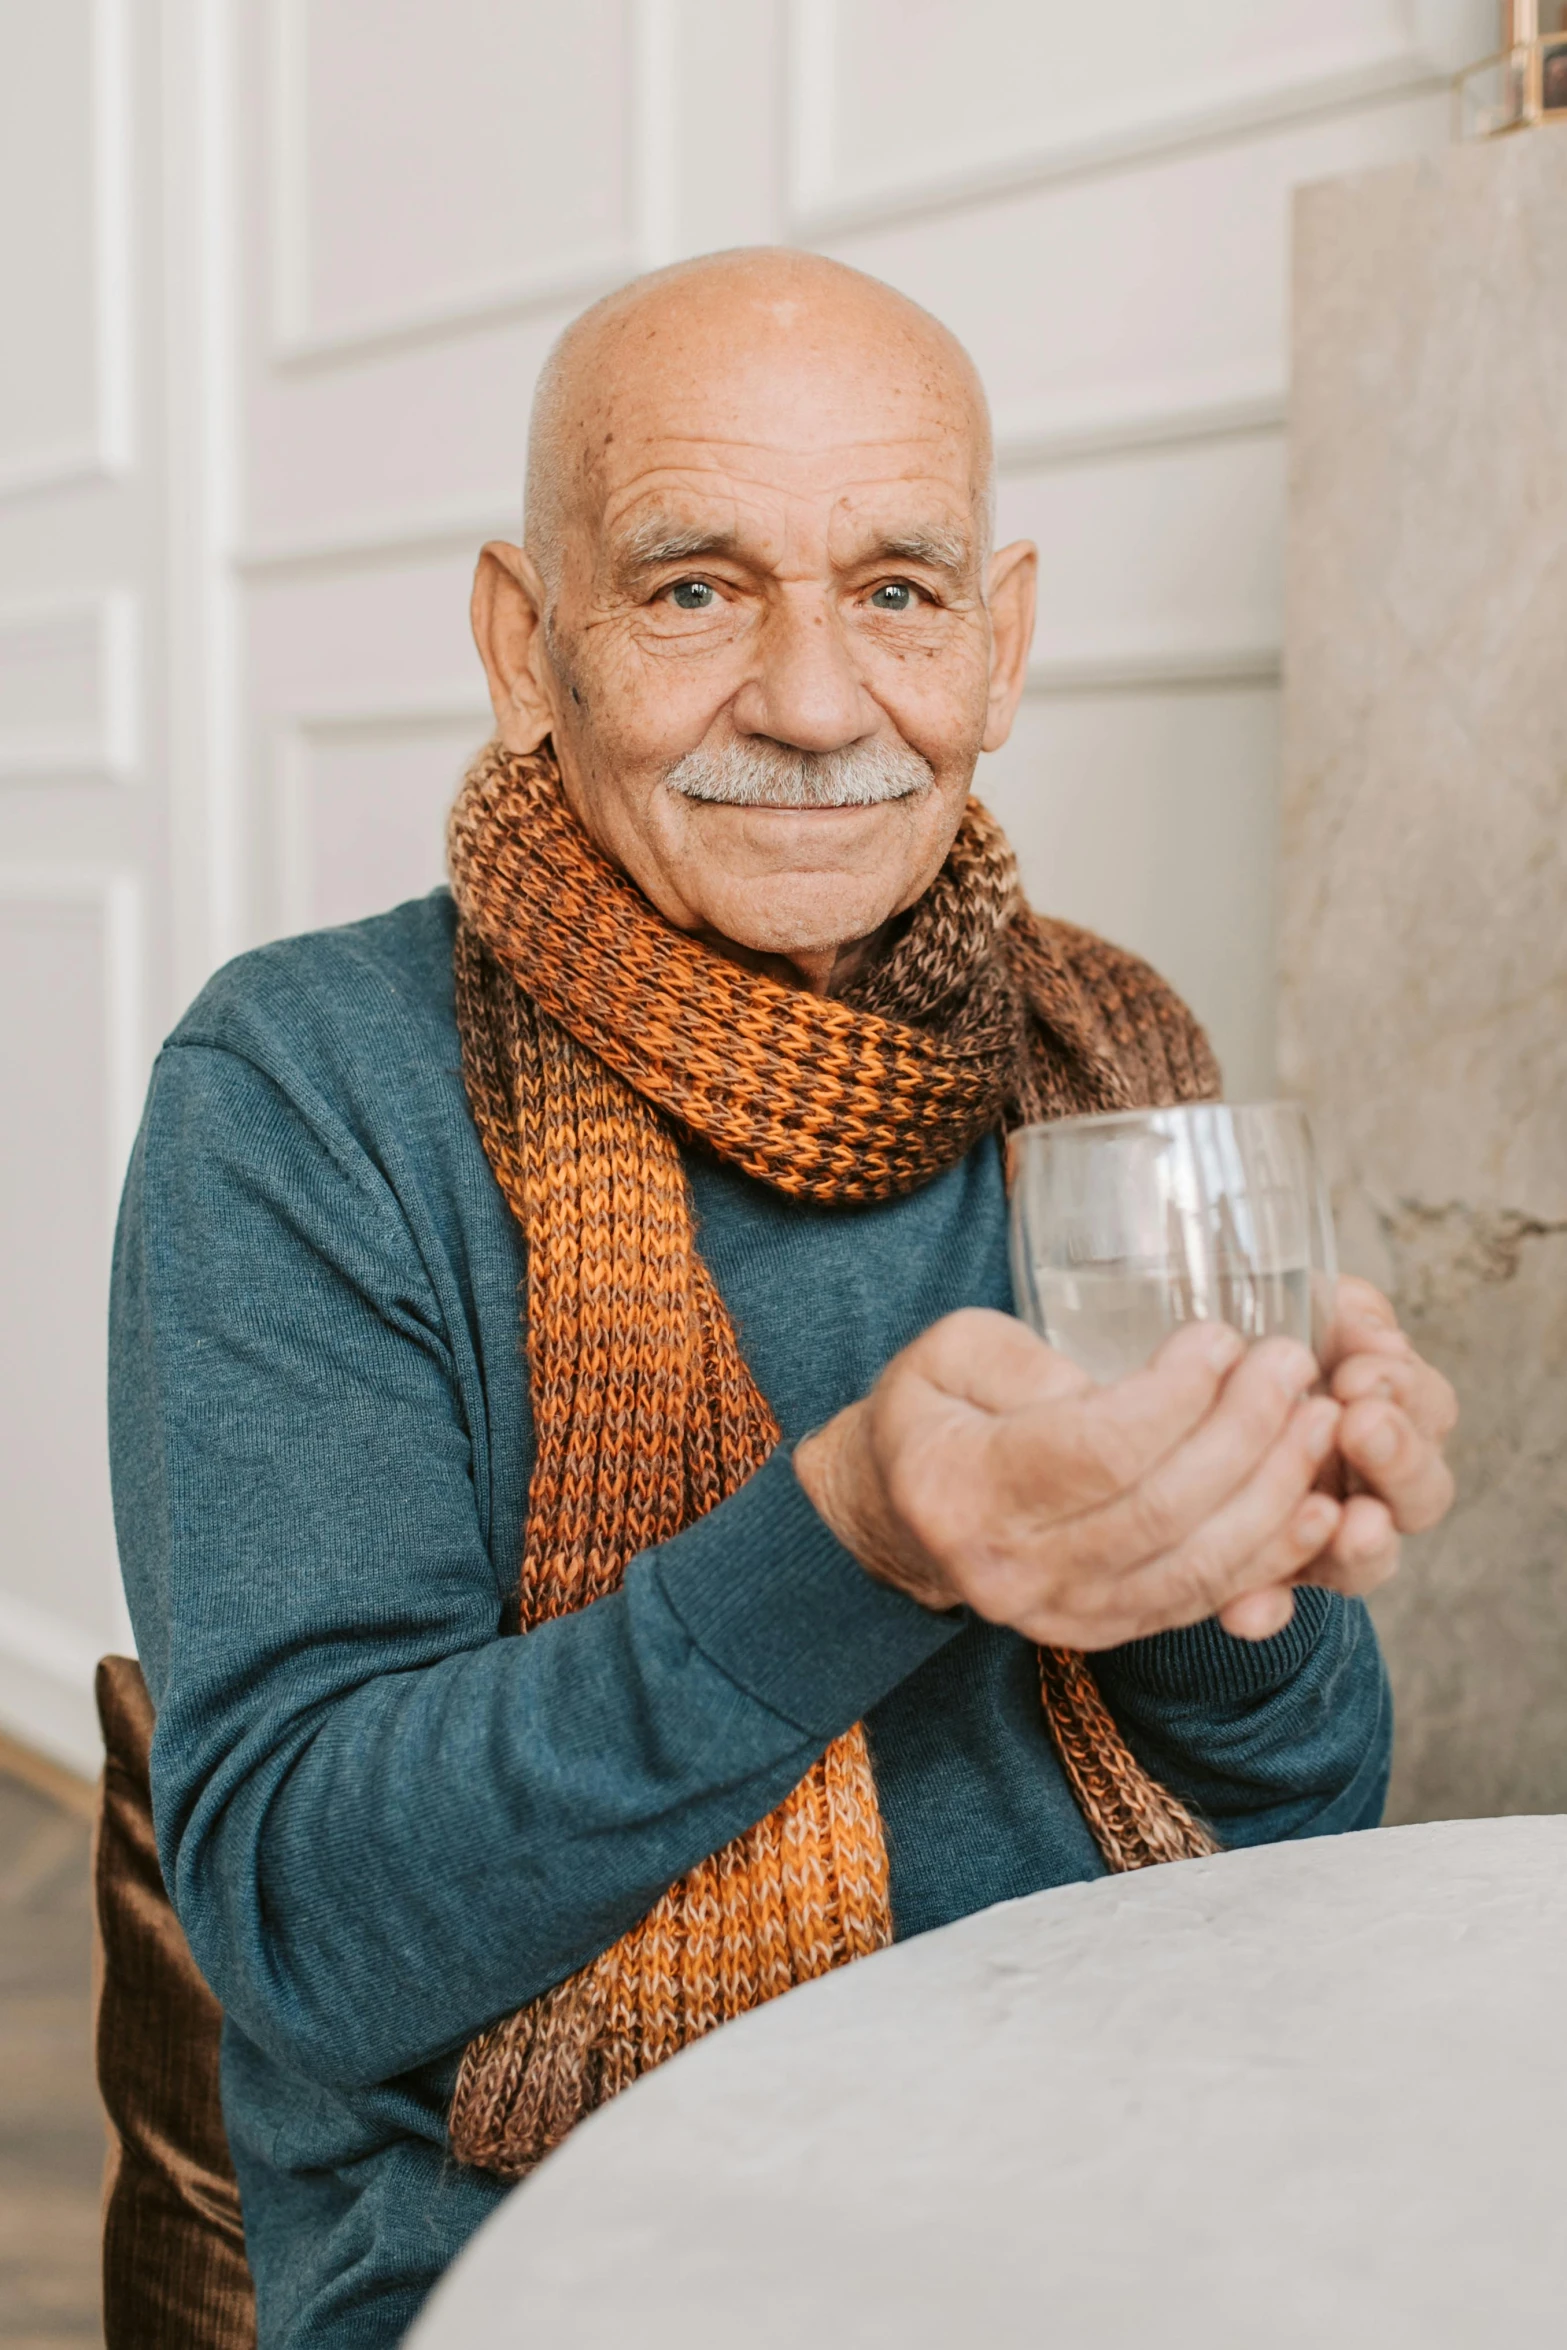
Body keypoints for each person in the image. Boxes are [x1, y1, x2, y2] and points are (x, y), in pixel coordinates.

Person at [107, 249, 1457, 2349]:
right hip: (537, 2229)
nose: (818, 703)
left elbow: (1307, 1801)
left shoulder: (1105, 1054)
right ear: (520, 639)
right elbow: (306, 1926)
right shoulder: (304, 1091)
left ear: (999, 647)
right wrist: (861, 1540)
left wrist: (1211, 1555)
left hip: (1124, 2143)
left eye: (899, 592)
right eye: (693, 587)